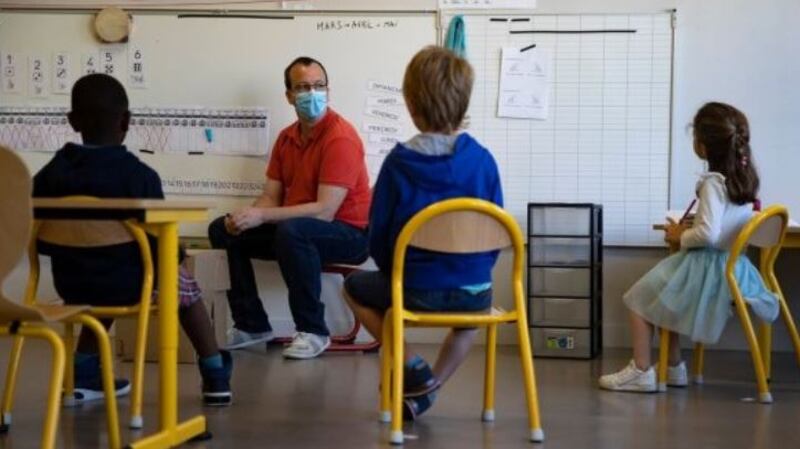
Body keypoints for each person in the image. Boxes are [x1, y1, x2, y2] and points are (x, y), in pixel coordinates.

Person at [33, 73, 233, 407]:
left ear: (72, 121)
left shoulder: (50, 174)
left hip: (71, 284)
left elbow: (38, 237)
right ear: (126, 120)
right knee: (183, 286)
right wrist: (178, 255)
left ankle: (84, 375)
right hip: (128, 284)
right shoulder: (140, 176)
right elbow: (161, 248)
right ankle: (215, 374)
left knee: (103, 277)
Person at [343, 46, 503, 420]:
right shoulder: (483, 161)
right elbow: (494, 229)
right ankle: (429, 390)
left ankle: (413, 365)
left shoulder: (399, 163)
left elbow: (378, 237)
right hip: (474, 290)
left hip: (413, 288)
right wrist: (473, 270)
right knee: (467, 326)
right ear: (464, 106)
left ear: (411, 105)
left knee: (354, 287)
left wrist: (394, 270)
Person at [598, 102, 779, 392]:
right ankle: (673, 368)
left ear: (703, 147)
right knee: (665, 300)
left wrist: (680, 236)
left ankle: (642, 370)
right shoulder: (744, 179)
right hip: (733, 268)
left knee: (636, 300)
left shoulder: (712, 184)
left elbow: (707, 234)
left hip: (705, 268)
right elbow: (722, 226)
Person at [208, 56, 371, 359]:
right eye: (303, 87)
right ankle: (251, 324)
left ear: (328, 90)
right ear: (289, 96)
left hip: (349, 234)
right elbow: (270, 196)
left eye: (318, 86)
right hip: (295, 230)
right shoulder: (286, 138)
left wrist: (263, 215)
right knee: (223, 229)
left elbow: (325, 211)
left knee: (293, 231)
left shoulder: (340, 138)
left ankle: (313, 330)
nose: (312, 93)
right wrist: (247, 217)